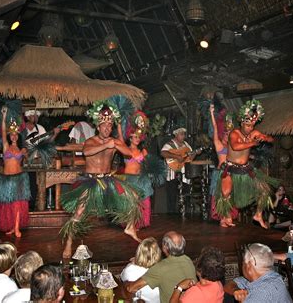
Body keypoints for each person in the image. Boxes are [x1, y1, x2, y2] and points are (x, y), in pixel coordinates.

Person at [60, 100, 142, 258]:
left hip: (108, 180)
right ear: (98, 127)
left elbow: (129, 153)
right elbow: (87, 152)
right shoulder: (91, 141)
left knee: (134, 196)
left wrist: (116, 145)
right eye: (104, 126)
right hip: (90, 181)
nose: (107, 128)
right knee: (78, 212)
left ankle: (130, 227)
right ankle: (69, 243)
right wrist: (106, 145)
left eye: (109, 126)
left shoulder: (114, 141)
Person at [213, 99, 276, 229]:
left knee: (265, 191)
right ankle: (225, 217)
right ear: (242, 123)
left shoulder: (254, 133)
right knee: (225, 193)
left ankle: (258, 215)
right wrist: (253, 143)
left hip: (246, 169)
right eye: (248, 125)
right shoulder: (234, 133)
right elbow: (236, 147)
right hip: (230, 168)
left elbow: (271, 139)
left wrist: (265, 138)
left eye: (252, 126)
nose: (250, 128)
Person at [126, 231, 197, 303]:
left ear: (165, 248)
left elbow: (131, 288)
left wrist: (126, 283)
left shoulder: (160, 268)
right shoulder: (188, 260)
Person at [0, 106, 30, 238]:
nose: (13, 136)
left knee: (18, 204)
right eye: (11, 134)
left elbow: (27, 159)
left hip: (19, 178)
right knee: (8, 205)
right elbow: (2, 131)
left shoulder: (22, 149)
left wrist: (26, 154)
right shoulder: (6, 147)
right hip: (6, 179)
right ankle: (13, 227)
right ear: (9, 136)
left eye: (16, 134)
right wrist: (4, 116)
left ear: (18, 136)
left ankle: (17, 227)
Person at [224, 243, 292, 303]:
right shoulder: (270, 276)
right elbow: (228, 285)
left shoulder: (262, 293)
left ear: (249, 265)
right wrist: (236, 291)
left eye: (243, 263)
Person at [209, 105, 238, 227]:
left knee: (229, 196)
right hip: (221, 173)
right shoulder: (219, 145)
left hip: (230, 172)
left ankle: (228, 217)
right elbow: (215, 127)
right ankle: (222, 218)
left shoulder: (233, 147)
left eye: (229, 134)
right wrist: (211, 113)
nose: (227, 136)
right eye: (226, 134)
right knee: (221, 196)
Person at [123, 111, 154, 228]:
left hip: (141, 179)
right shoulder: (126, 150)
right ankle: (131, 224)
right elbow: (120, 140)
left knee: (144, 200)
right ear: (130, 138)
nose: (137, 139)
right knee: (132, 202)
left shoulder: (143, 151)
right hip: (130, 179)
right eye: (134, 137)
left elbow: (148, 165)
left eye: (138, 137)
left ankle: (141, 223)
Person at [161, 128, 197, 214]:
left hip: (184, 171)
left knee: (185, 191)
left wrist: (195, 153)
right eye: (181, 134)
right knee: (172, 192)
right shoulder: (169, 144)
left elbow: (190, 158)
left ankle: (184, 211)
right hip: (172, 172)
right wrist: (176, 156)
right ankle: (171, 213)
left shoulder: (186, 144)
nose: (183, 136)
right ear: (176, 135)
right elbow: (163, 153)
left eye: (184, 134)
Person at [121, 237, 162, 303]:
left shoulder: (130, 269)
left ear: (138, 252)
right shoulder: (164, 270)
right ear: (158, 253)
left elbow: (122, 277)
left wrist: (133, 263)